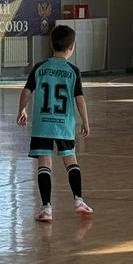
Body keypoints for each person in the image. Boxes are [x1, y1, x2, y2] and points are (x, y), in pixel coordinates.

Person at [17, 24, 93, 221]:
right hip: (64, 126)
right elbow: (79, 99)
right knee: (70, 159)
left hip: (42, 125)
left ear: (51, 44)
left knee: (44, 162)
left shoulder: (40, 68)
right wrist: (85, 121)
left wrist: (21, 109)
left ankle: (46, 208)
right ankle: (78, 200)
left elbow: (26, 91)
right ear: (72, 46)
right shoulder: (73, 71)